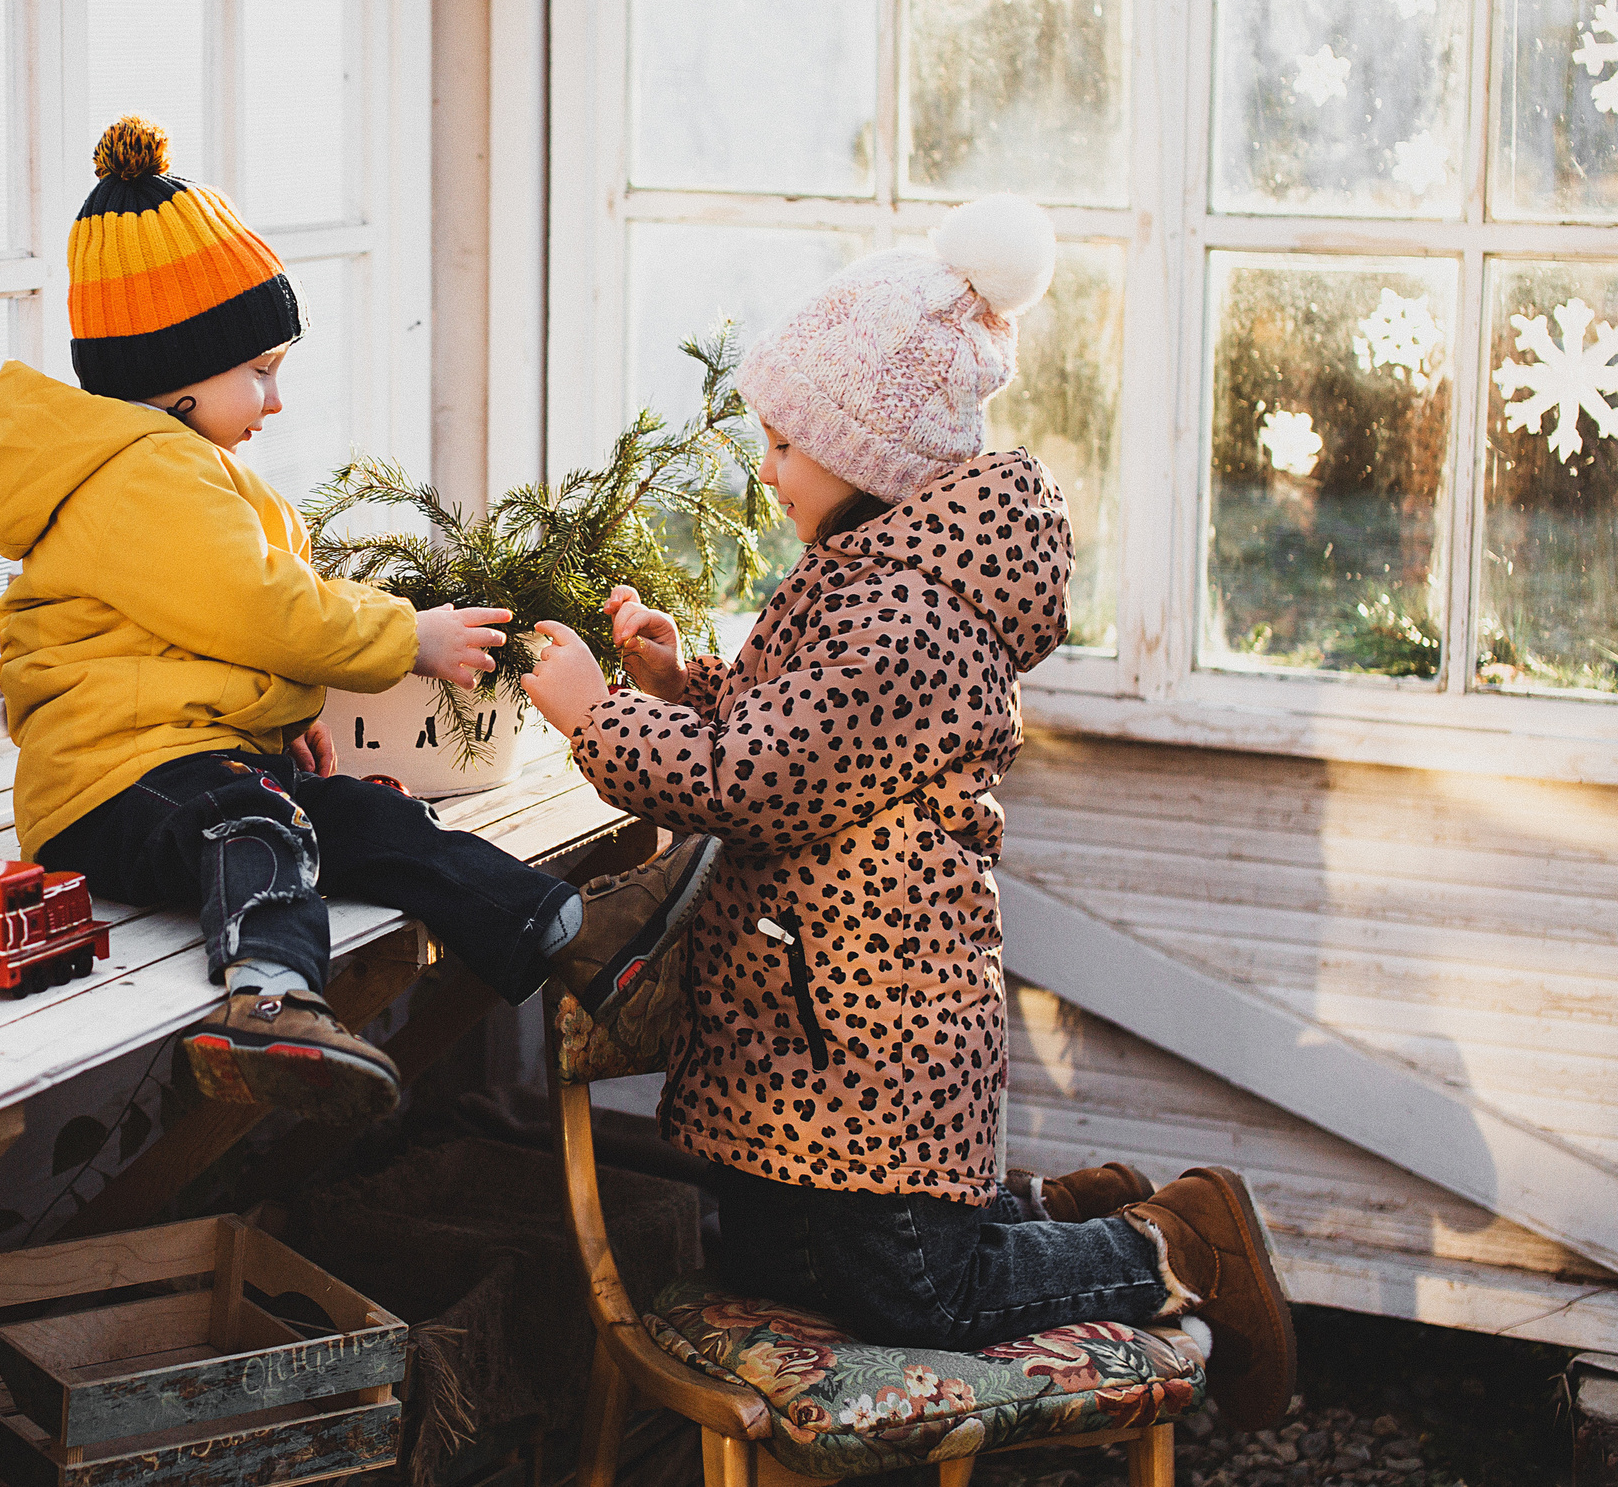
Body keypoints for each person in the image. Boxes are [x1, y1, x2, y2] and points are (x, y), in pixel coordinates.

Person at [519, 195, 1296, 1431]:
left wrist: (592, 718)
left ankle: (1171, 1245)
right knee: (774, 1254)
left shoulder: (909, 618)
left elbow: (756, 777)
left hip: (875, 1021)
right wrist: (681, 684)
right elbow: (793, 726)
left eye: (782, 443)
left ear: (869, 452)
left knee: (916, 1288)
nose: (762, 469)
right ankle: (1048, 1214)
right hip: (812, 1018)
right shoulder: (864, 583)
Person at [0, 114, 719, 1124]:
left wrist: (270, 723)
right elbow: (259, 607)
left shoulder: (173, 469)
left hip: (180, 760)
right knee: (255, 822)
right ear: (175, 380)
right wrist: (410, 636)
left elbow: (198, 637)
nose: (274, 399)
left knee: (373, 818)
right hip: (111, 787)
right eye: (257, 371)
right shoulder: (140, 476)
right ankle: (269, 999)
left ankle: (580, 942)